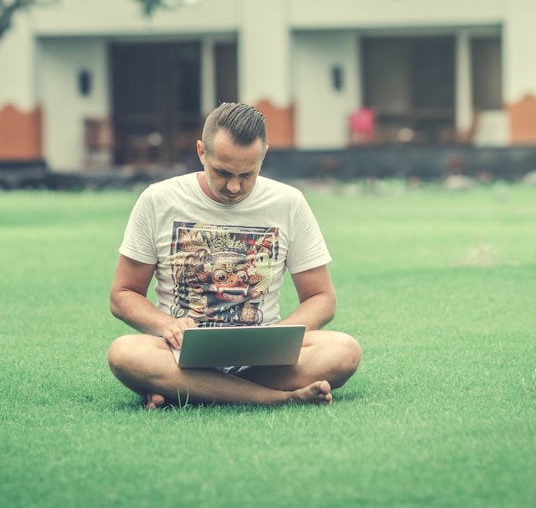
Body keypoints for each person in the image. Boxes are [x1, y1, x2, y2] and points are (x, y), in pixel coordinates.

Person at [107, 102, 362, 408]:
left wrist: (276, 337)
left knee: (344, 350)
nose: (233, 186)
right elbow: (123, 294)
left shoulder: (289, 203)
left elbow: (322, 298)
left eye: (247, 174)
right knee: (124, 354)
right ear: (202, 152)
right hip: (180, 355)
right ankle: (275, 399)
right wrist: (165, 325)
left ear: (263, 155)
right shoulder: (158, 200)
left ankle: (189, 391)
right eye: (222, 172)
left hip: (263, 360)